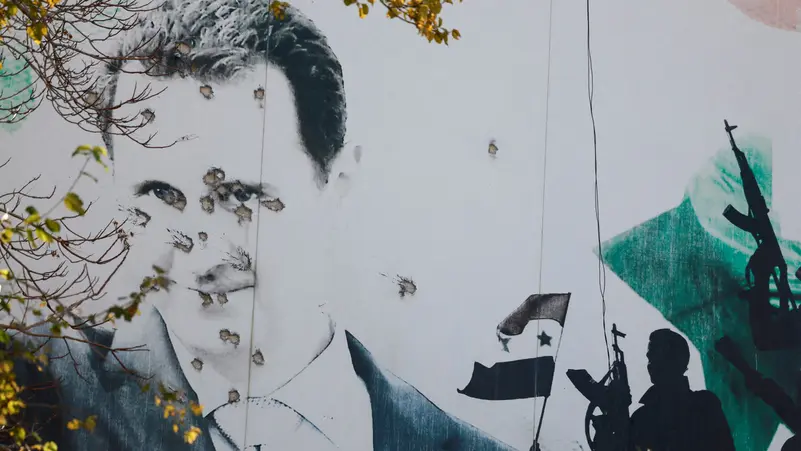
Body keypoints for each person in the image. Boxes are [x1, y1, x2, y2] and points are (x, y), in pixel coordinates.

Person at [15, 3, 518, 450]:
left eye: (241, 195)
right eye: (161, 194)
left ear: (338, 184)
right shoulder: (32, 395)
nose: (201, 255)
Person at [628, 329, 735, 451]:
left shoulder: (705, 404)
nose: (650, 363)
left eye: (655, 354)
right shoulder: (641, 417)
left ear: (675, 359)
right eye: (650, 358)